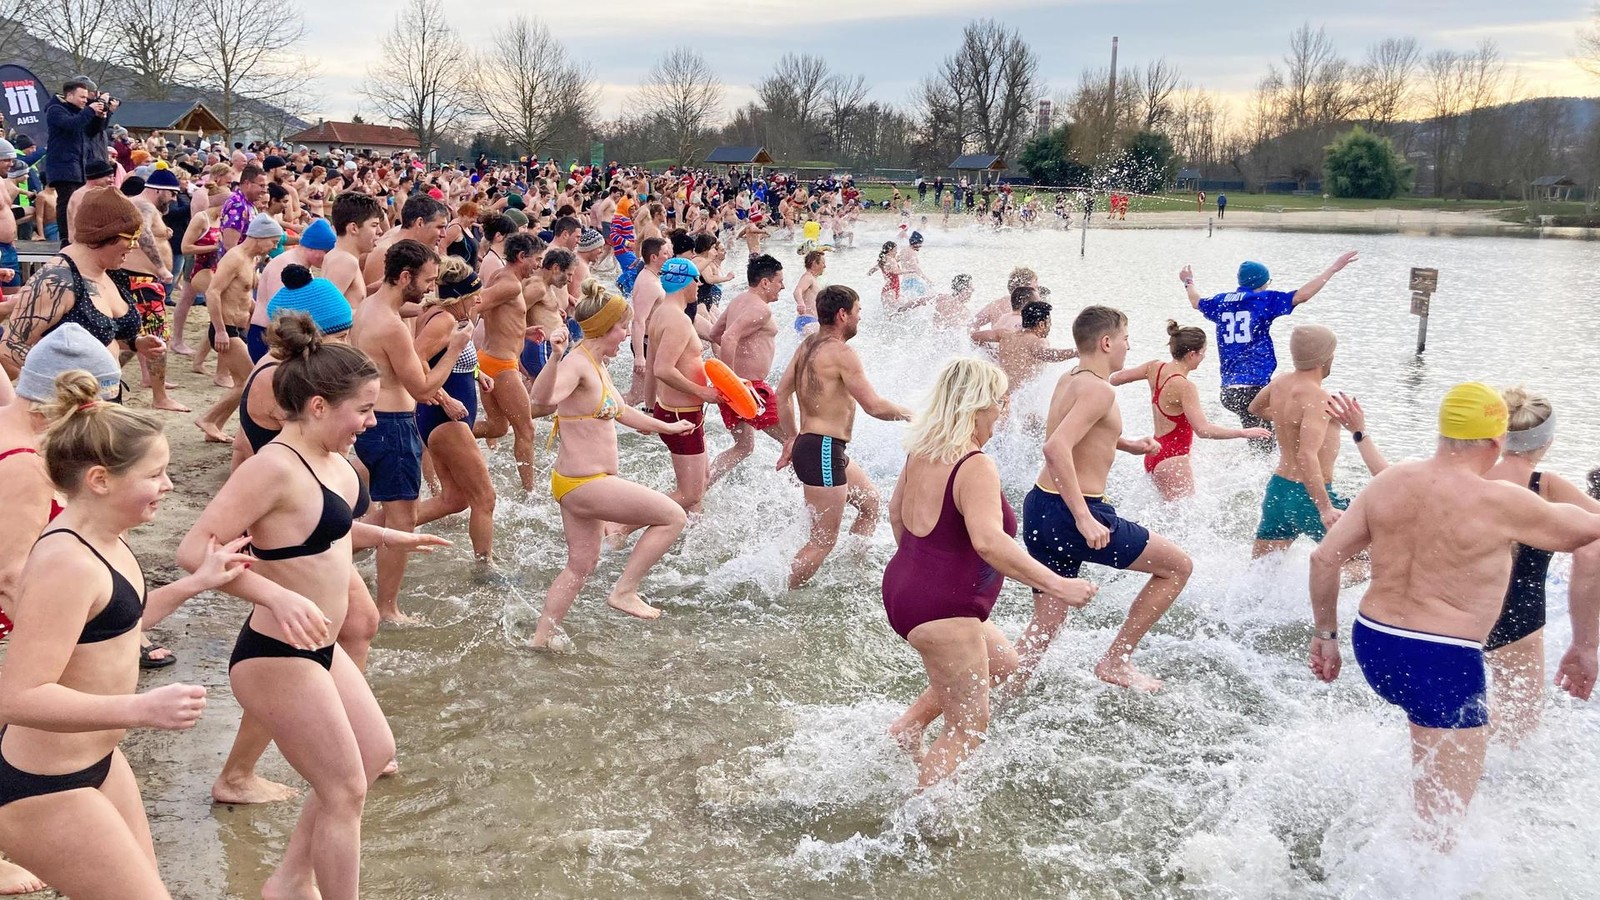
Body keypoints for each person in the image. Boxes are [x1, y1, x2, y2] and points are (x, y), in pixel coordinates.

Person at [176, 312, 446, 899]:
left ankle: (291, 880)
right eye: (364, 410)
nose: (371, 421)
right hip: (275, 653)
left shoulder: (338, 464)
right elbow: (194, 549)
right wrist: (271, 591)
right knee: (345, 789)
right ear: (319, 407)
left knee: (374, 754)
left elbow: (328, 535)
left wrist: (391, 537)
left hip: (320, 647)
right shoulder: (272, 466)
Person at [1308, 383, 1600, 838]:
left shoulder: (1391, 479)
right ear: (1494, 442)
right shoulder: (1503, 501)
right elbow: (1588, 533)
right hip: (1439, 659)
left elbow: (1324, 559)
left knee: (1431, 748)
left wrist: (1325, 636)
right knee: (1441, 829)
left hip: (1373, 644)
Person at [0, 370, 247, 899]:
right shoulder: (66, 560)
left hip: (100, 762)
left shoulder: (106, 539)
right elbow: (17, 698)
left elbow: (113, 628)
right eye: (155, 474)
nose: (169, 485)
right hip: (46, 785)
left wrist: (196, 583)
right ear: (99, 480)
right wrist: (141, 710)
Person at [882, 358, 1096, 787]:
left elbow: (896, 516)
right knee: (967, 729)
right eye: (999, 400)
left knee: (1002, 664)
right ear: (977, 406)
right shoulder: (975, 464)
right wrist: (1057, 585)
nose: (1003, 409)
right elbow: (989, 543)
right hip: (943, 608)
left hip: (906, 589)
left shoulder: (921, 450)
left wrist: (922, 570)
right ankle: (920, 828)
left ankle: (907, 726)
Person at [1019, 306, 1192, 692]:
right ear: (1107, 342)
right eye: (1126, 338)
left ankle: (1005, 688)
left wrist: (1128, 444)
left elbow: (1076, 430)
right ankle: (1116, 660)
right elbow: (1056, 447)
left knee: (1045, 626)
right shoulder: (1100, 389)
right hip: (1073, 511)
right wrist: (1083, 517)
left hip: (1040, 505)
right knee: (1177, 567)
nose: (1129, 347)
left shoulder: (1071, 378)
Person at [528, 280, 694, 650]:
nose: (627, 334)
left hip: (580, 482)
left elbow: (623, 412)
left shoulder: (595, 364)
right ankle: (624, 591)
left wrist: (667, 426)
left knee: (580, 566)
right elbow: (540, 401)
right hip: (585, 483)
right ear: (606, 328)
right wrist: (554, 357)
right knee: (673, 516)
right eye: (623, 328)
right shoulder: (575, 363)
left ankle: (540, 639)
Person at [352, 240, 465, 623]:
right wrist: (454, 348)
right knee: (402, 519)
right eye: (428, 281)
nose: (431, 289)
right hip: (393, 427)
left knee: (391, 514)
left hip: (373, 421)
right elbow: (421, 389)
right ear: (405, 277)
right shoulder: (392, 326)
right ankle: (388, 609)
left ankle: (327, 548)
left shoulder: (369, 307)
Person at [776, 286, 913, 589]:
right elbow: (874, 406)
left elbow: (781, 394)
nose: (859, 318)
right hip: (823, 448)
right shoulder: (842, 353)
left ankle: (852, 573)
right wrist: (913, 415)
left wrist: (792, 437)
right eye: (858, 312)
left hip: (818, 446)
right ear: (842, 315)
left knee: (871, 504)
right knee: (822, 541)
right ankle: (783, 592)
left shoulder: (808, 345)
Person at [1182, 253, 1357, 448]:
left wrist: (1188, 281)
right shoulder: (1262, 300)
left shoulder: (1221, 302)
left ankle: (1254, 466)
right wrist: (1333, 269)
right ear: (1262, 282)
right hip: (1254, 389)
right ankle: (1274, 470)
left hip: (1229, 391)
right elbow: (1302, 295)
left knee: (1265, 439)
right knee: (1273, 441)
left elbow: (1195, 301)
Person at [1110, 321, 1271, 500]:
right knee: (1183, 523)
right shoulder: (1185, 386)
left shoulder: (1154, 367)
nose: (1203, 357)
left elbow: (1116, 378)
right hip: (1173, 459)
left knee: (1168, 518)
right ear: (1192, 355)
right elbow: (1203, 430)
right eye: (1203, 353)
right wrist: (1243, 432)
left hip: (1154, 454)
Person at [412, 258, 496, 561]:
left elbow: (448, 358)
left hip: (444, 418)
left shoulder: (449, 317)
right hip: (444, 418)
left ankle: (376, 531)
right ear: (460, 297)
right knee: (485, 498)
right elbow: (416, 358)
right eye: (474, 295)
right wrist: (445, 398)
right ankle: (485, 568)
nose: (479, 300)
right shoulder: (444, 320)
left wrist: (476, 372)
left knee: (454, 499)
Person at [1248, 325, 1355, 557]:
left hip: (1278, 489)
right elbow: (1306, 455)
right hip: (1308, 495)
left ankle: (1277, 595)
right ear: (1326, 359)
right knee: (1371, 557)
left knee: (1263, 572)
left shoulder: (1280, 382)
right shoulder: (1318, 397)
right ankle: (1313, 591)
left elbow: (1254, 407)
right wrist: (1325, 508)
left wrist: (1287, 423)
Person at [193, 214, 284, 443]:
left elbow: (243, 297)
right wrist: (220, 330)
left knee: (241, 383)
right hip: (227, 329)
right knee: (249, 380)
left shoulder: (252, 259)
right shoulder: (234, 258)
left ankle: (214, 427)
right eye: (273, 241)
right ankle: (208, 418)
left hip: (239, 327)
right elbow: (213, 292)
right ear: (260, 237)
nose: (275, 246)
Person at [646, 256, 721, 513]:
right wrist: (703, 392)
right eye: (696, 280)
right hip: (681, 415)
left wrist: (648, 408)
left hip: (675, 410)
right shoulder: (677, 320)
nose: (699, 284)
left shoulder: (661, 314)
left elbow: (651, 365)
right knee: (690, 493)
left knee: (702, 479)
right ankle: (622, 524)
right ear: (683, 282)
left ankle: (689, 535)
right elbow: (662, 369)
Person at [707, 254, 788, 485]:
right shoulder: (761, 309)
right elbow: (730, 337)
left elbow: (715, 334)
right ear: (765, 282)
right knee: (792, 440)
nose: (782, 286)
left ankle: (700, 489)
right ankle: (809, 499)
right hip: (750, 390)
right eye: (779, 281)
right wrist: (731, 381)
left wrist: (726, 380)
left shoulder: (738, 301)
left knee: (743, 447)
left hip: (737, 389)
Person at [473, 234, 544, 492]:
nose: (538, 265)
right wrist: (459, 334)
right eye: (536, 260)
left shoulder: (501, 276)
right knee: (526, 429)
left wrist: (522, 331)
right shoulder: (511, 285)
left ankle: (444, 431)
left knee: (497, 426)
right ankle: (530, 492)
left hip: (489, 360)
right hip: (501, 366)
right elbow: (476, 303)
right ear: (521, 257)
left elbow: (497, 315)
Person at [248, 217, 336, 362]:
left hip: (278, 335)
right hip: (267, 335)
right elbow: (281, 310)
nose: (328, 257)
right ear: (311, 247)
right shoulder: (285, 266)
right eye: (326, 252)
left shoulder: (298, 264)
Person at [43, 76, 115, 244]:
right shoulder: (55, 109)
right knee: (67, 201)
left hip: (79, 164)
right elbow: (72, 124)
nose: (86, 100)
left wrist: (102, 115)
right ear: (69, 96)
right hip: (63, 164)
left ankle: (79, 235)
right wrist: (90, 110)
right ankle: (65, 238)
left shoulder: (79, 112)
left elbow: (92, 132)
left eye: (86, 97)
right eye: (82, 97)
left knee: (80, 202)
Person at [968, 300, 1077, 400]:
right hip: (1019, 399)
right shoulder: (1035, 341)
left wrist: (992, 354)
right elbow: (1047, 354)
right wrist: (1075, 352)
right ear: (1041, 324)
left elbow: (974, 337)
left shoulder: (1004, 335)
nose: (1050, 326)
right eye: (1049, 322)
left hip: (1000, 392)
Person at [625, 237, 669, 405]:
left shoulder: (653, 277)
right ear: (653, 257)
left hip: (650, 342)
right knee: (645, 396)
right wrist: (639, 357)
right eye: (665, 253)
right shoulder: (648, 283)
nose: (668, 256)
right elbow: (638, 321)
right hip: (645, 344)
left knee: (640, 396)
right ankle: (599, 411)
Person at [791, 249, 826, 334]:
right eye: (823, 263)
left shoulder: (813, 279)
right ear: (814, 263)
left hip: (809, 321)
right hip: (808, 321)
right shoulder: (808, 277)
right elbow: (797, 290)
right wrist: (800, 303)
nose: (825, 266)